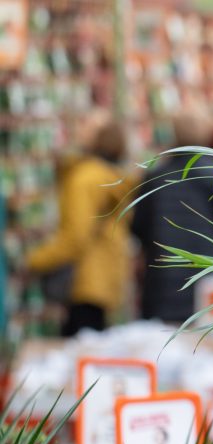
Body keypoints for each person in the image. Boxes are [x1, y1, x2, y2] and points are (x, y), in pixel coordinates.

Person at [132, 110, 213, 324]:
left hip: (163, 279)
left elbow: (137, 227)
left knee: (165, 339)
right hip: (211, 277)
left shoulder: (156, 177)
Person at [26, 115, 131, 336]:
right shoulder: (111, 175)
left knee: (80, 348)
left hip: (83, 283)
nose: (78, 129)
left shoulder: (85, 178)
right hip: (104, 281)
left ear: (97, 138)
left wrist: (35, 260)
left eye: (85, 124)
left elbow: (74, 238)